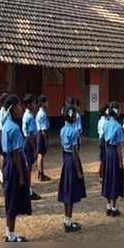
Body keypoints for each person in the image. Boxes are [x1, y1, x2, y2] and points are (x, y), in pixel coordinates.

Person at [1, 95, 31, 242]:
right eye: (19, 106)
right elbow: (16, 154)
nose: (21, 108)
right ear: (12, 109)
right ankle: (11, 236)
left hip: (7, 165)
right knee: (13, 201)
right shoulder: (14, 128)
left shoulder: (5, 124)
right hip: (14, 166)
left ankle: (8, 232)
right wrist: (20, 175)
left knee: (9, 200)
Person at [57, 104, 86, 233]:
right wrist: (79, 170)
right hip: (72, 162)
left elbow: (63, 149)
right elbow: (74, 152)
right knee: (71, 192)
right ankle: (68, 222)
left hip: (66, 161)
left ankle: (66, 220)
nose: (76, 116)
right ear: (72, 116)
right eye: (74, 114)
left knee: (66, 191)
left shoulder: (62, 129)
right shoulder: (73, 131)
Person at [102, 102, 124, 216]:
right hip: (115, 154)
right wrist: (121, 161)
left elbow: (104, 141)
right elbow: (119, 146)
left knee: (108, 178)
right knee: (115, 179)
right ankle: (114, 208)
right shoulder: (118, 126)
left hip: (107, 153)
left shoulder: (105, 124)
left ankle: (108, 206)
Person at [22, 94, 41, 201]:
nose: (35, 105)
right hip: (29, 144)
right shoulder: (29, 116)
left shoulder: (28, 115)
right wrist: (34, 149)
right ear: (29, 104)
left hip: (28, 142)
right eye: (33, 103)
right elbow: (30, 136)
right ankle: (28, 191)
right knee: (28, 169)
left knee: (28, 169)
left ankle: (28, 190)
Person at [36, 95, 51, 181]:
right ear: (42, 103)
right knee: (41, 154)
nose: (47, 103)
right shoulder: (42, 114)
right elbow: (43, 130)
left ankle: (40, 173)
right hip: (42, 135)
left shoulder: (41, 113)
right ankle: (41, 174)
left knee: (40, 154)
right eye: (46, 102)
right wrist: (46, 141)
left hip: (40, 134)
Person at [0, 93, 9, 185]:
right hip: (3, 133)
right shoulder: (5, 113)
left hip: (1, 133)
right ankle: (2, 175)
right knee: (3, 155)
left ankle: (2, 174)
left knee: (2, 155)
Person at [97, 105, 108, 184]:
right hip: (104, 140)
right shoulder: (105, 121)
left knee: (102, 159)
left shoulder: (100, 120)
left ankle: (101, 175)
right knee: (104, 159)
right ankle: (102, 175)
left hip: (101, 140)